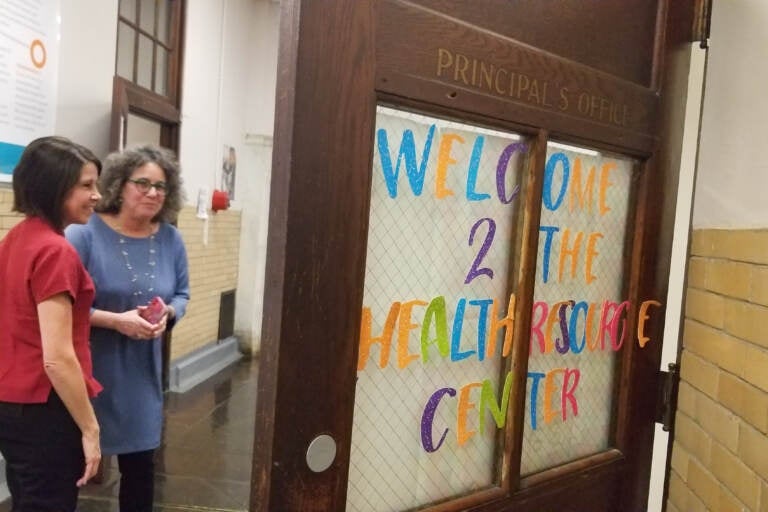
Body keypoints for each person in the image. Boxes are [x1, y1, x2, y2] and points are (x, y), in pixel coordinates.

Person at [66, 144, 190, 512]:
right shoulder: (84, 234)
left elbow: (182, 293)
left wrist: (168, 311)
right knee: (73, 470)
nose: (153, 193)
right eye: (143, 183)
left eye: (161, 186)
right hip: (89, 371)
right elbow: (62, 309)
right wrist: (116, 321)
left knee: (140, 471)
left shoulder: (170, 238)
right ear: (119, 186)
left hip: (141, 373)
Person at [0, 136, 103, 511]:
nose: (97, 195)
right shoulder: (54, 250)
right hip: (47, 409)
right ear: (53, 187)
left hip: (13, 404)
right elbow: (57, 357)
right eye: (87, 186)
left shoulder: (17, 239)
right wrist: (90, 429)